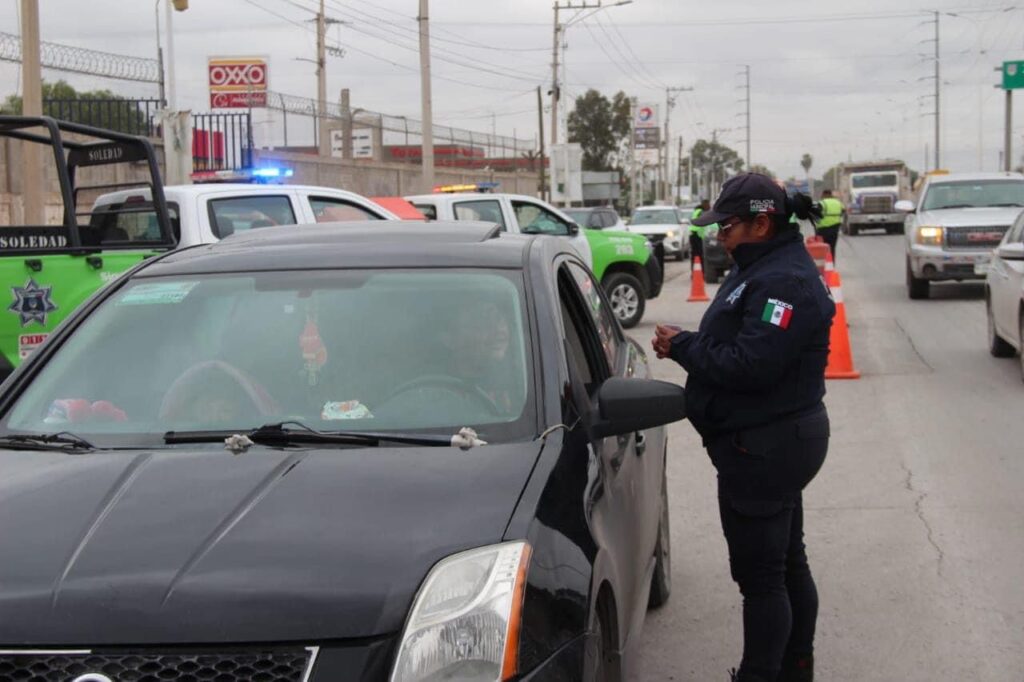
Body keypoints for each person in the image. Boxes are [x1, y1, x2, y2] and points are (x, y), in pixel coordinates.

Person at [652, 173, 836, 682]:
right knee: (784, 564)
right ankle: (796, 667)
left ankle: (763, 674)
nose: (719, 237)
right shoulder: (762, 266)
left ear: (762, 222)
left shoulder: (784, 282)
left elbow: (751, 364)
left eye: (727, 227)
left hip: (766, 448)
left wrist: (684, 347)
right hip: (769, 443)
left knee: (762, 579)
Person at [816, 189, 845, 262]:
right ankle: (831, 265)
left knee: (822, 248)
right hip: (835, 229)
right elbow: (843, 211)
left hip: (822, 229)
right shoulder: (838, 202)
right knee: (832, 247)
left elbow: (816, 214)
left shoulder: (822, 203)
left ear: (824, 195)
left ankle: (823, 265)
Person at [689, 199, 712, 270]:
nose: (709, 206)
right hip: (697, 235)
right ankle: (701, 271)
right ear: (705, 205)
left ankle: (695, 271)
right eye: (708, 205)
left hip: (693, 234)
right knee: (699, 254)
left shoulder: (697, 210)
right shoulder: (701, 212)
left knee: (695, 255)